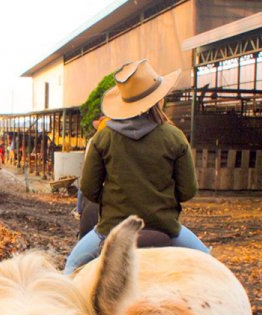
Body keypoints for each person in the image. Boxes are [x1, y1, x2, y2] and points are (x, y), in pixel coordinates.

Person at [64, 59, 209, 275]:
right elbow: (188, 191)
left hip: (112, 228)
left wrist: (118, 200)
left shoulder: (103, 137)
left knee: (71, 268)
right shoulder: (175, 137)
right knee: (208, 262)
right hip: (165, 227)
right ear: (157, 99)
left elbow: (89, 189)